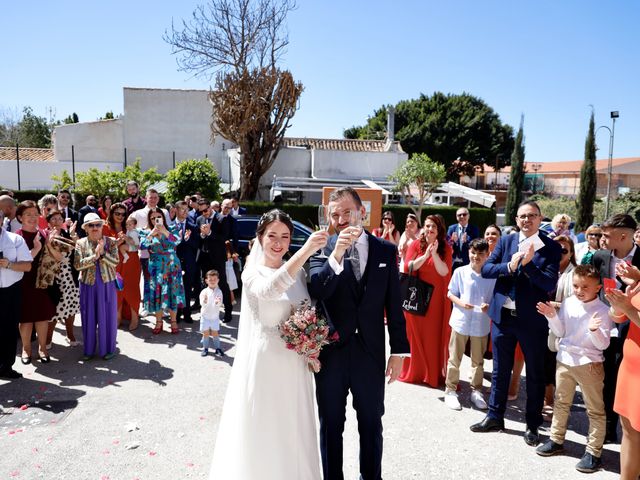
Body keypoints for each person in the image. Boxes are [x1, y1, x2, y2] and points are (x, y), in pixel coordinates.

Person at [210, 209, 328, 479]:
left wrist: (310, 345)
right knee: (268, 428)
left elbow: (303, 310)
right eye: (272, 235)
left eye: (285, 236)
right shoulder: (252, 273)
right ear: (260, 237)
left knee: (293, 429)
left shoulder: (297, 274)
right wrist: (306, 251)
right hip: (267, 362)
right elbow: (270, 290)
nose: (279, 242)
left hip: (295, 365)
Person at [309, 187, 409, 480]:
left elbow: (394, 304)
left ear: (362, 212)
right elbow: (318, 289)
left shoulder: (386, 251)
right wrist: (337, 253)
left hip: (370, 354)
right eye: (334, 214)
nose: (341, 219)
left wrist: (400, 351)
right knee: (330, 425)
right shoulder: (321, 249)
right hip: (331, 355)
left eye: (346, 212)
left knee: (371, 423)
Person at [471, 200, 561, 447]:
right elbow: (486, 269)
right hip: (503, 318)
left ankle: (532, 424)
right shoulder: (507, 240)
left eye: (531, 215)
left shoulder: (551, 247)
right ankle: (494, 416)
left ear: (540, 217)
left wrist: (528, 264)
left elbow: (548, 284)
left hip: (532, 320)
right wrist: (510, 266)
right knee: (500, 369)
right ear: (517, 219)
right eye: (522, 216)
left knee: (534, 372)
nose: (526, 220)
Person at [535, 265, 612, 473]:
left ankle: (594, 451)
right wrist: (551, 316)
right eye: (576, 285)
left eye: (585, 286)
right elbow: (561, 331)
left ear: (598, 287)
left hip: (589, 364)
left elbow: (603, 344)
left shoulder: (603, 311)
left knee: (595, 409)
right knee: (561, 402)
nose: (579, 290)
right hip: (565, 360)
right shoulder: (569, 303)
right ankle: (556, 440)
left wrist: (594, 331)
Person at [591, 213, 639, 443]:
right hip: (605, 324)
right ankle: (608, 430)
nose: (602, 239)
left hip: (633, 330)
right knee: (606, 379)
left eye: (607, 236)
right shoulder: (599, 257)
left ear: (623, 236)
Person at [399, 214, 453, 388]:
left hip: (436, 299)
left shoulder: (446, 248)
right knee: (415, 335)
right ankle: (418, 372)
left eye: (434, 227)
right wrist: (425, 255)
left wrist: (435, 254)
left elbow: (444, 272)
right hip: (418, 296)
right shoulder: (415, 244)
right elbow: (409, 266)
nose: (430, 230)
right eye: (428, 226)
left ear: (439, 230)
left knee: (432, 337)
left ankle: (432, 374)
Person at [444, 238, 496, 411]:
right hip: (460, 320)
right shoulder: (460, 272)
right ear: (468, 253)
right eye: (473, 253)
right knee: (454, 357)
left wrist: (489, 306)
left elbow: (494, 298)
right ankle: (450, 390)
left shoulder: (491, 276)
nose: (476, 257)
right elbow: (451, 293)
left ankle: (476, 391)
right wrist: (460, 303)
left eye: (481, 254)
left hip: (480, 323)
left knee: (477, 360)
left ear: (487, 255)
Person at [15, 201, 57, 364]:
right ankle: (26, 349)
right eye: (28, 214)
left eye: (35, 214)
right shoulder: (16, 237)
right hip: (23, 281)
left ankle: (43, 348)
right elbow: (21, 263)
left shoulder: (44, 234)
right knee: (25, 318)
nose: (32, 217)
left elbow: (55, 258)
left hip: (43, 282)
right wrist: (37, 248)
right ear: (20, 217)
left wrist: (51, 244)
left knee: (42, 316)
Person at [605, 284, 640, 480]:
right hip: (630, 367)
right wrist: (617, 304)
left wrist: (627, 308)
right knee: (628, 431)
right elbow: (617, 317)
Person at [74, 213, 119, 360]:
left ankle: (108, 349)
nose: (95, 228)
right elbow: (77, 265)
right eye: (91, 225)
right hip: (88, 285)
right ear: (86, 228)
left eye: (97, 224)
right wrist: (94, 256)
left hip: (107, 285)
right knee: (88, 317)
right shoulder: (80, 243)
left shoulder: (111, 242)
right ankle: (88, 350)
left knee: (108, 318)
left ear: (102, 226)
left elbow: (115, 262)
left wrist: (103, 254)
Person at [140, 208, 185, 335]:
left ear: (163, 218)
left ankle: (174, 321)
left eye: (158, 217)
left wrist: (164, 231)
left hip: (172, 265)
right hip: (155, 265)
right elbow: (142, 246)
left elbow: (177, 241)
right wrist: (152, 233)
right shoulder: (146, 231)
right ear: (150, 219)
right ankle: (158, 321)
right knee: (157, 293)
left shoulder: (172, 228)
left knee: (172, 291)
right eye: (153, 218)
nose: (155, 220)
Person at [0, 209, 33, 379]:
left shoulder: (15, 239)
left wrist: (8, 265)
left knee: (9, 329)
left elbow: (27, 266)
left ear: (2, 220)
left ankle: (6, 366)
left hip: (10, 289)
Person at [45, 210, 80, 348]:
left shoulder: (67, 234)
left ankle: (70, 336)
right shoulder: (44, 235)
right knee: (53, 309)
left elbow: (78, 250)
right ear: (48, 222)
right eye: (53, 219)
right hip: (52, 276)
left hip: (69, 276)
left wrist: (73, 236)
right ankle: (48, 339)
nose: (57, 221)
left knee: (70, 307)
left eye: (60, 218)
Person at [201, 198, 238, 324]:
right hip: (205, 257)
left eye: (205, 210)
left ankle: (228, 311)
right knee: (207, 285)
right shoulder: (200, 219)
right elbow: (199, 237)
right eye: (201, 211)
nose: (204, 213)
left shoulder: (222, 218)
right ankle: (210, 311)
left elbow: (224, 237)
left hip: (218, 257)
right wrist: (202, 235)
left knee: (222, 284)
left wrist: (210, 232)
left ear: (210, 207)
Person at [174, 201, 199, 323]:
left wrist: (188, 240)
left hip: (188, 262)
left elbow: (198, 245)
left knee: (188, 289)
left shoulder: (193, 226)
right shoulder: (170, 226)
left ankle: (187, 313)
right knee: (176, 288)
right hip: (174, 262)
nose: (185, 212)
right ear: (176, 210)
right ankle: (177, 314)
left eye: (186, 209)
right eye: (182, 209)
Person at [199, 270, 225, 357]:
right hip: (205, 316)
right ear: (206, 281)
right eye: (210, 280)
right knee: (205, 333)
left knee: (215, 333)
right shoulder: (204, 292)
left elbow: (219, 304)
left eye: (214, 279)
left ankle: (218, 348)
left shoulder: (219, 292)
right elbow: (202, 304)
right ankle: (205, 348)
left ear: (218, 280)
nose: (212, 281)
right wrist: (205, 301)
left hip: (214, 317)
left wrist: (218, 302)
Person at [447, 207, 479, 271]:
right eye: (459, 215)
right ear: (456, 217)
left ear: (468, 216)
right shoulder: (452, 228)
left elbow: (476, 246)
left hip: (467, 262)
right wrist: (452, 241)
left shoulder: (474, 229)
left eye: (464, 214)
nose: (462, 216)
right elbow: (447, 245)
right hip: (454, 262)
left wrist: (467, 242)